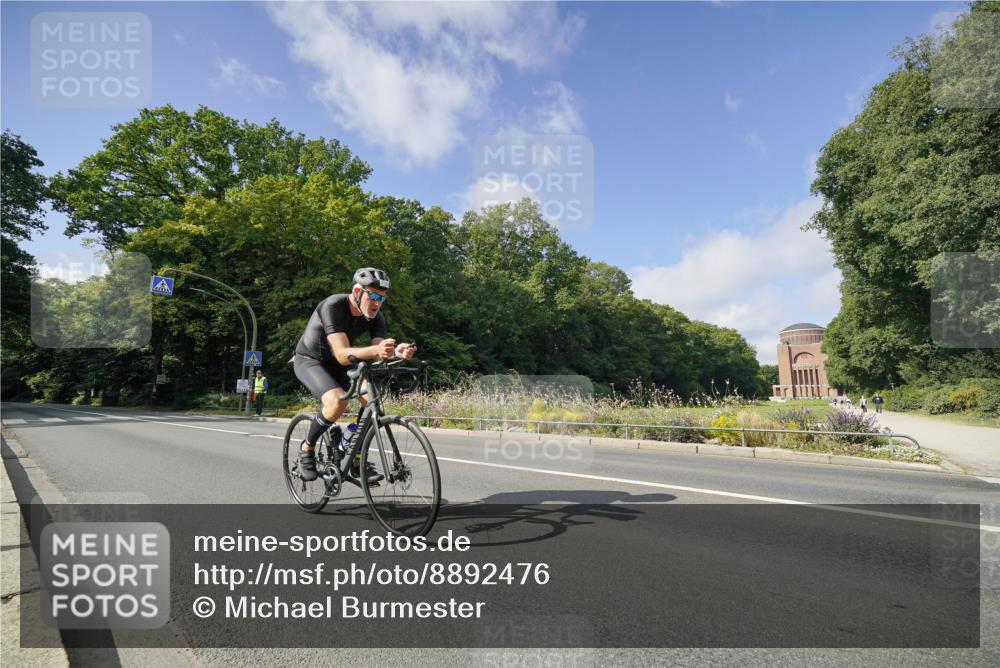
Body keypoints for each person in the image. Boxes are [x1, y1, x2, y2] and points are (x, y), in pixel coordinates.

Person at [291, 268, 416, 483]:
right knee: (337, 401)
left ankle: (355, 458)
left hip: (342, 364)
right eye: (373, 296)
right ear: (357, 292)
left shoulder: (376, 316)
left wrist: (396, 351)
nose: (377, 303)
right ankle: (307, 447)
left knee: (371, 399)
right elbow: (341, 354)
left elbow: (378, 347)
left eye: (382, 298)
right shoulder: (333, 306)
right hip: (310, 360)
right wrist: (376, 352)